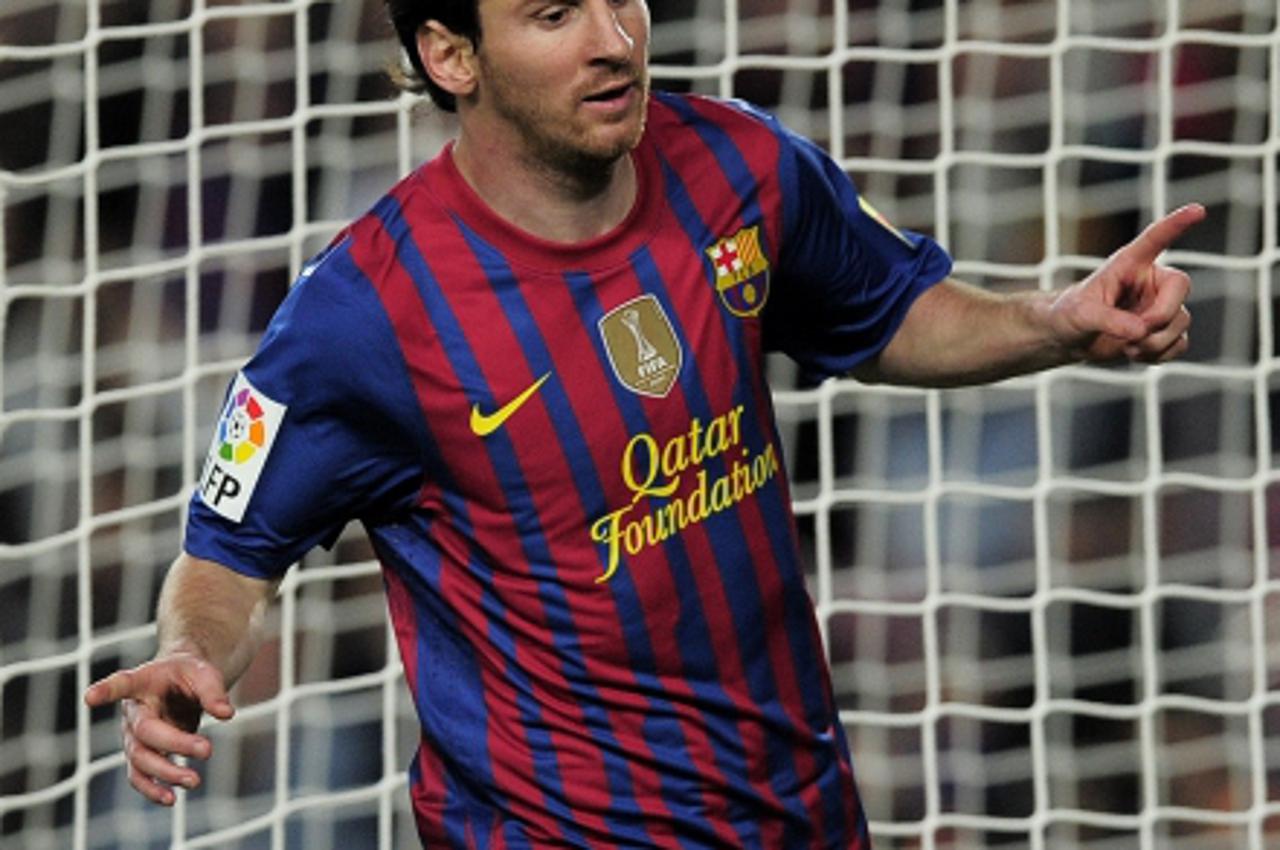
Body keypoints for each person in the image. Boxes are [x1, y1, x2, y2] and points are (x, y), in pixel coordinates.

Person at [84, 1, 1204, 846]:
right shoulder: (358, 316)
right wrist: (189, 650)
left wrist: (1050, 322)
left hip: (797, 807)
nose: (615, 37)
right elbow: (226, 553)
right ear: (449, 56)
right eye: (553, 13)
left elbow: (884, 311)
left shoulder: (739, 165)